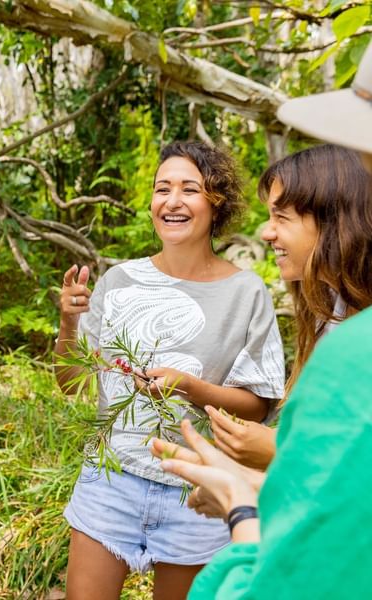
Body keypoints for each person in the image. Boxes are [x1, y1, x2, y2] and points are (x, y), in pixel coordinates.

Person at [152, 41, 372, 599]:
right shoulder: (331, 320)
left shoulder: (353, 352)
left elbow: (290, 572)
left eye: (282, 217)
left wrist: (242, 495)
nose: (268, 234)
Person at [54, 141, 285, 599]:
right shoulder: (119, 281)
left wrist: (193, 388)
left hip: (195, 488)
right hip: (110, 479)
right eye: (163, 189)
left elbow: (259, 406)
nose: (172, 201)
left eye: (189, 189)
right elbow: (70, 380)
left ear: (216, 202)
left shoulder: (246, 292)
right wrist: (68, 320)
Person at [208, 144, 372, 470]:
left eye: (281, 217)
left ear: (335, 222)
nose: (267, 232)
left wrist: (280, 451)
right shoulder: (330, 312)